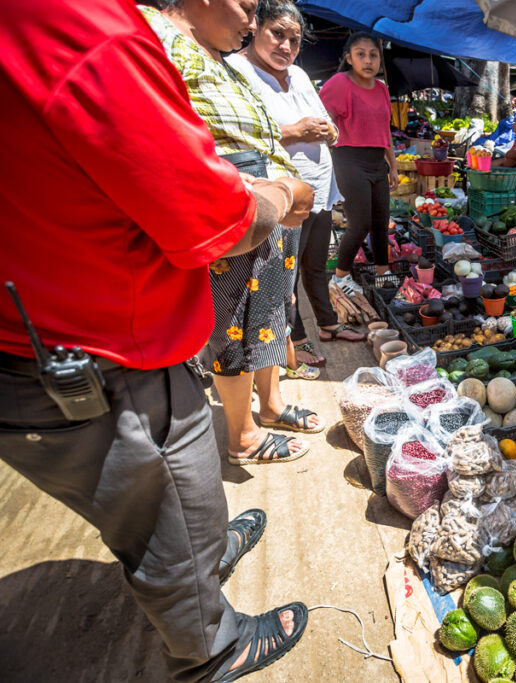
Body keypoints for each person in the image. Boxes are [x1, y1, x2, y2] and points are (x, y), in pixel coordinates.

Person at [0, 0, 314, 680]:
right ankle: (210, 645)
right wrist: (278, 192)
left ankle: (203, 554)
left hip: (57, 328)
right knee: (164, 494)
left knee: (176, 492)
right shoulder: (89, 33)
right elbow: (215, 218)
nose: (255, 12)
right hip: (101, 351)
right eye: (251, 6)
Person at [143, 0, 327, 466]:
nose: (250, 20)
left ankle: (270, 405)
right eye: (246, 7)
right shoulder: (157, 38)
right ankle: (241, 434)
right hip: (233, 203)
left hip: (271, 204)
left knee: (268, 311)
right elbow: (166, 136)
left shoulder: (218, 58)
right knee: (233, 318)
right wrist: (258, 189)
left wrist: (285, 191)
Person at [227, 1, 363, 372]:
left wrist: (329, 130)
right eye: (277, 34)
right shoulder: (237, 70)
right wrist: (294, 132)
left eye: (295, 39)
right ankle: (294, 340)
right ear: (256, 28)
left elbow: (325, 121)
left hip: (317, 191)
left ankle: (328, 323)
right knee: (279, 275)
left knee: (314, 264)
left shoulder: (300, 76)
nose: (286, 46)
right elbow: (238, 136)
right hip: (278, 195)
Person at [320, 32, 400, 296]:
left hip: (378, 162)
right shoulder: (339, 83)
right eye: (361, 54)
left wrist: (394, 165)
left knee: (381, 221)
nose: (368, 60)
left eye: (373, 55)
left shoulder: (381, 89)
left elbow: (385, 130)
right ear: (349, 58)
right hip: (349, 158)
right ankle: (340, 277)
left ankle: (382, 273)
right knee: (360, 222)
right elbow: (322, 120)